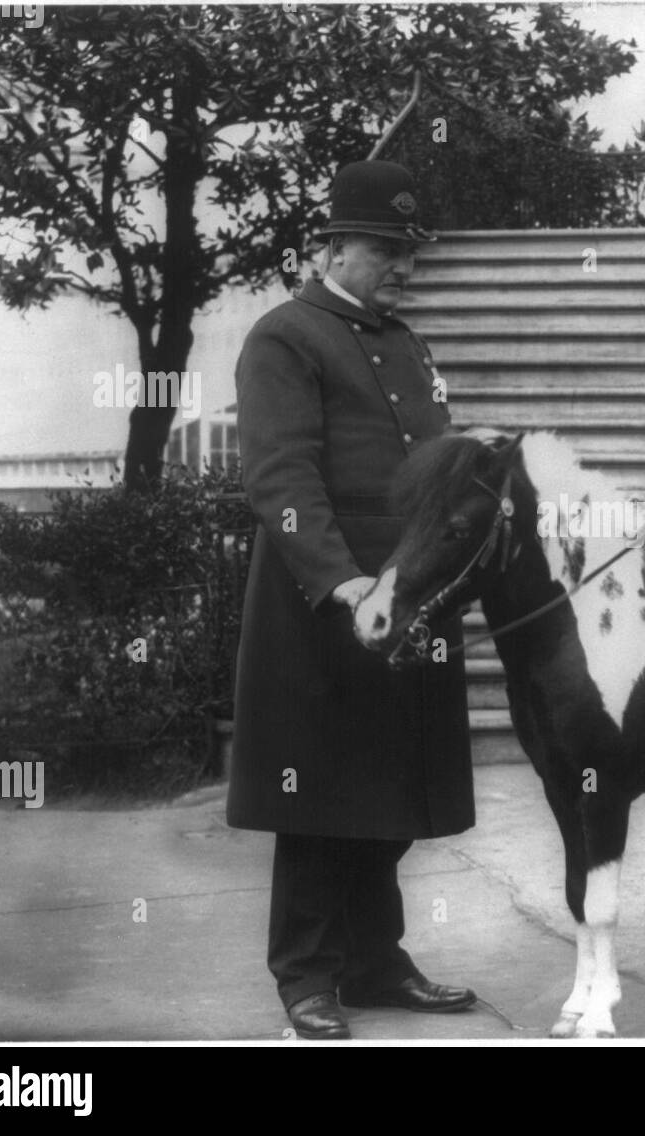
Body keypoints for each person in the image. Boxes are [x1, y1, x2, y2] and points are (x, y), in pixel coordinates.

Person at [228, 159, 477, 1040]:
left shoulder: (405, 341)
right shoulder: (286, 337)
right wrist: (343, 582)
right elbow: (280, 477)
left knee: (390, 786)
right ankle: (306, 976)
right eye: (384, 249)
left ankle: (375, 963)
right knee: (317, 797)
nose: (402, 267)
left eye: (410, 252)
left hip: (409, 598)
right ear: (334, 244)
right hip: (322, 603)